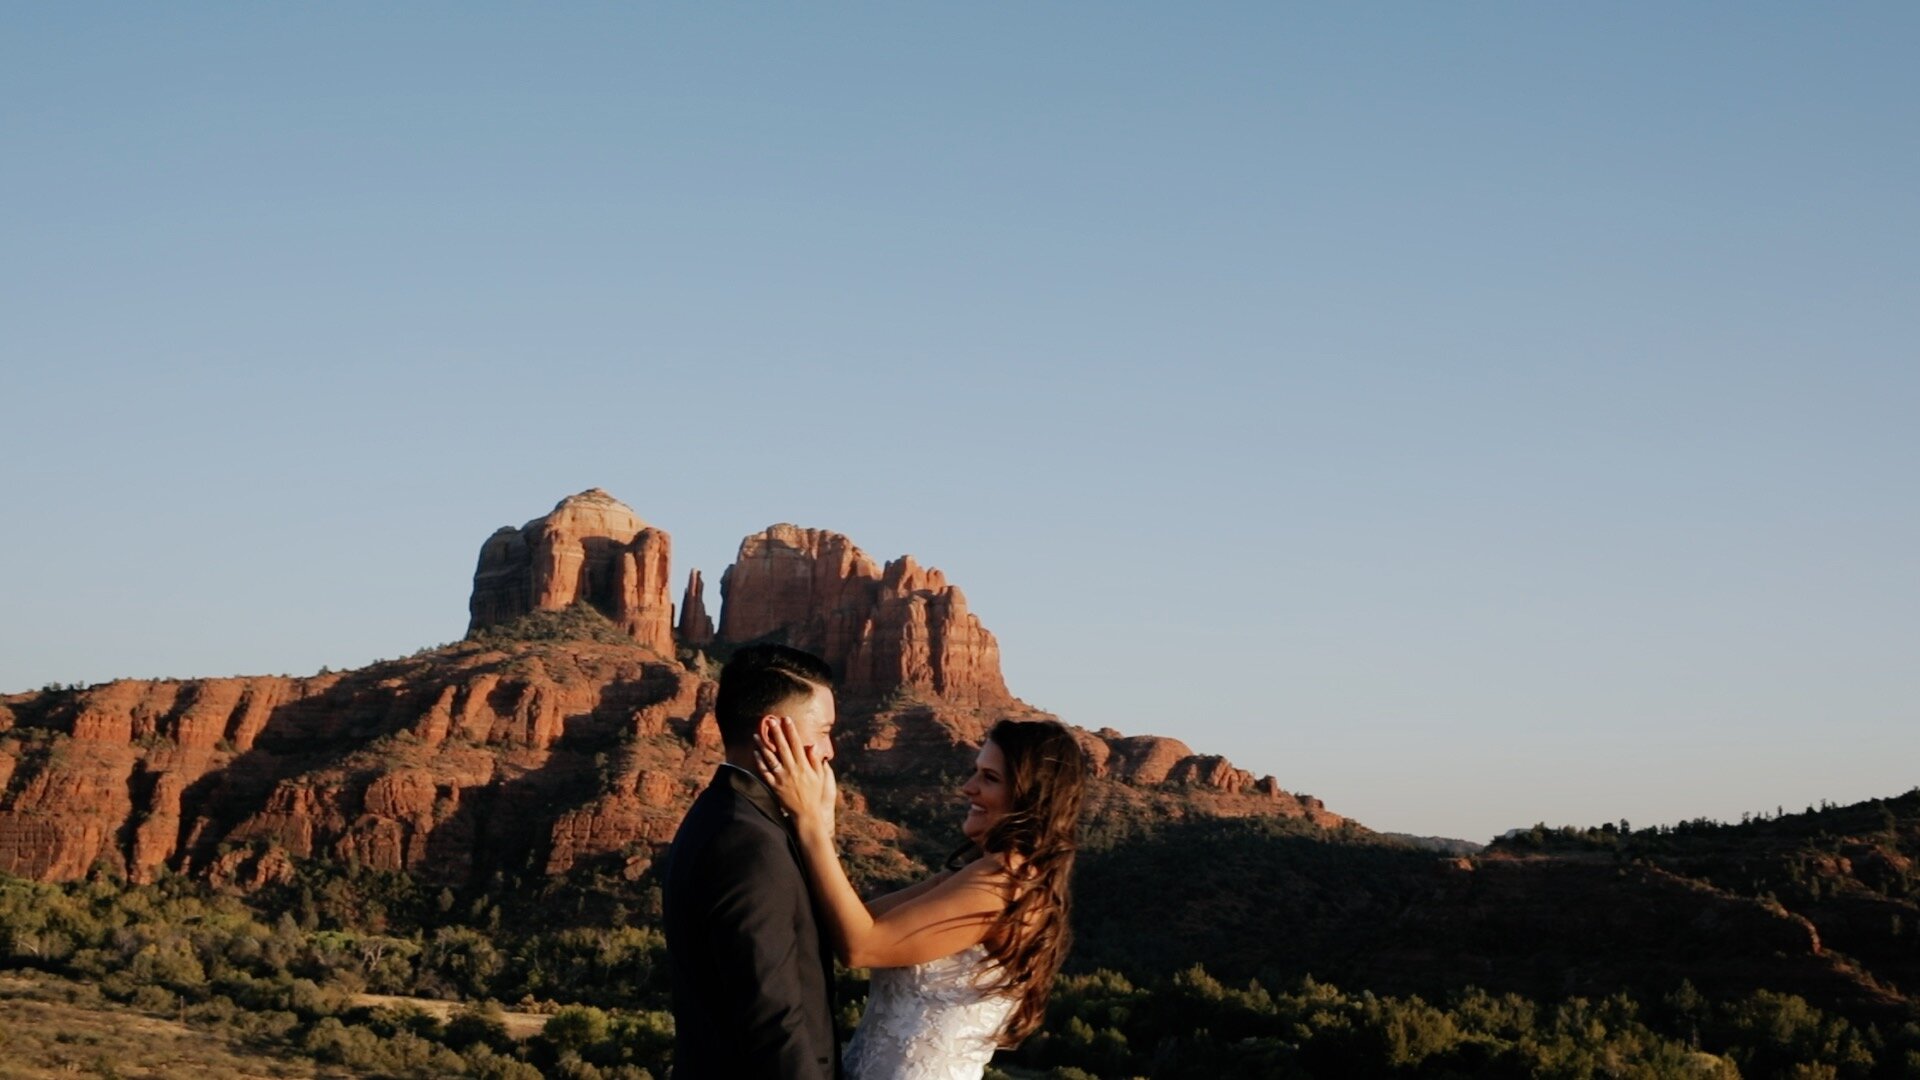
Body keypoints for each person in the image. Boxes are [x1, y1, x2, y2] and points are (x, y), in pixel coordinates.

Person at [755, 715, 1087, 1080]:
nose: (968, 787)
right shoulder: (979, 873)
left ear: (1031, 797)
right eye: (976, 772)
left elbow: (860, 946)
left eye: (989, 778)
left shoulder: (1004, 885)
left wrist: (810, 822)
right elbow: (851, 922)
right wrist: (823, 820)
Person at [663, 643, 841, 1079]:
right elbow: (773, 1017)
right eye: (823, 731)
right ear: (772, 731)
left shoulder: (726, 814)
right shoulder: (749, 840)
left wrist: (821, 828)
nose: (830, 750)